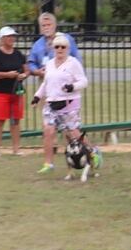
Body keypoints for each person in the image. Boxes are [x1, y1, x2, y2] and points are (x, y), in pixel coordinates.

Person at [26, 12, 82, 170]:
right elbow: (31, 64)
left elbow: (77, 59)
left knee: (70, 130)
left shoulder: (66, 39)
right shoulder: (38, 45)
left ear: (55, 25)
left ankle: (77, 152)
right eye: (43, 25)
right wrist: (37, 72)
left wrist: (73, 82)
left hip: (67, 93)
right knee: (48, 128)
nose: (46, 28)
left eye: (49, 24)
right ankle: (49, 162)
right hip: (48, 89)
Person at [33, 34, 94, 174]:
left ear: (68, 48)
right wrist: (37, 96)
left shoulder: (73, 63)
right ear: (53, 48)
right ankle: (48, 164)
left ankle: (92, 154)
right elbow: (46, 83)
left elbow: (84, 81)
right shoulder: (49, 63)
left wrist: (72, 86)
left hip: (69, 103)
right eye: (57, 46)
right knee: (48, 131)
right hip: (51, 103)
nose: (60, 49)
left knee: (74, 134)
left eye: (63, 47)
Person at [0, 26, 30, 157]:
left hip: (16, 91)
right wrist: (6, 74)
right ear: (2, 38)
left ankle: (16, 149)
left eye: (13, 36)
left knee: (16, 120)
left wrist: (24, 75)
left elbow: (26, 70)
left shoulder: (18, 54)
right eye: (9, 36)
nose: (12, 39)